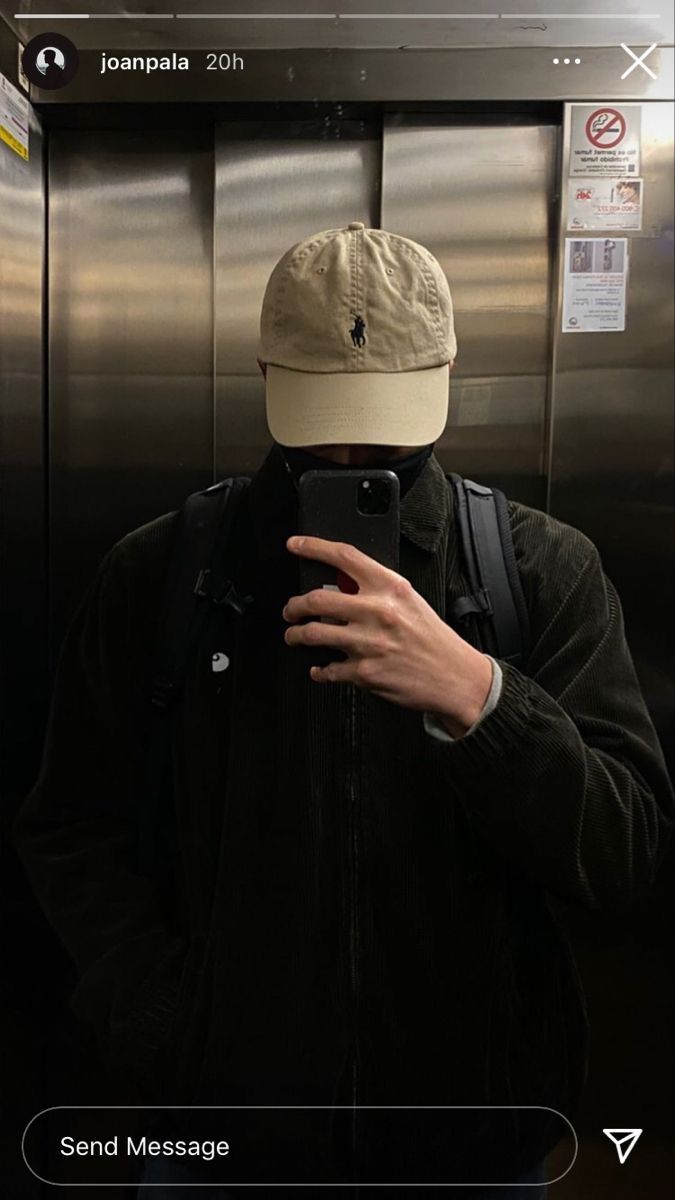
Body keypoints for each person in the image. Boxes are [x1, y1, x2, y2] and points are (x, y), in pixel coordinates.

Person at [14, 223, 673, 1200]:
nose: (355, 446)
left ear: (448, 366)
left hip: (475, 1144)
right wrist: (163, 1021)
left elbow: (629, 853)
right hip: (219, 1140)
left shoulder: (539, 570)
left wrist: (481, 700)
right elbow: (70, 826)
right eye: (323, 410)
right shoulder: (166, 571)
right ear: (265, 372)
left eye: (386, 412)